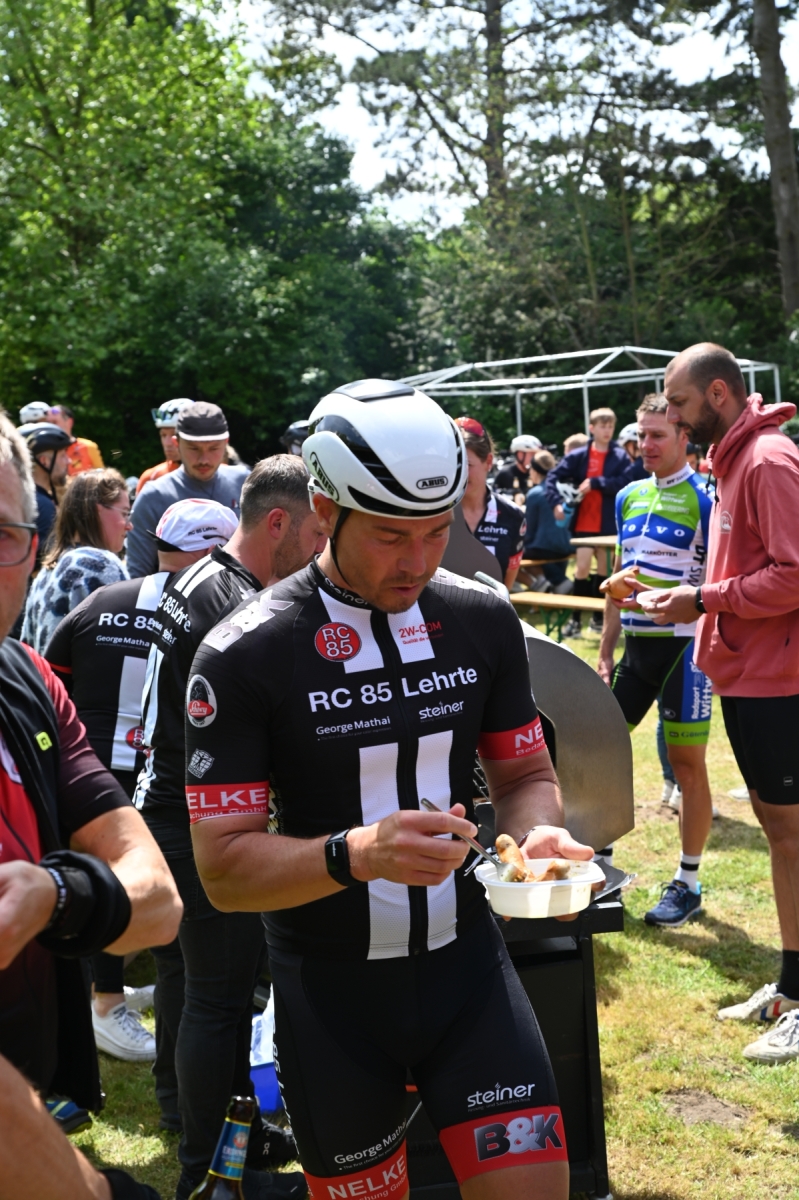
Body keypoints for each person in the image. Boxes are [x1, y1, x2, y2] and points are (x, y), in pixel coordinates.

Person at [186, 378, 599, 1200]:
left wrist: (537, 835)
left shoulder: (479, 618)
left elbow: (524, 774)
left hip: (468, 973)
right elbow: (223, 872)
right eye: (388, 535)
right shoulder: (243, 653)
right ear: (323, 509)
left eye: (436, 531)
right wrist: (357, 854)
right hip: (330, 998)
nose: (417, 561)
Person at [0, 409, 182, 1199]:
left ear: (33, 544)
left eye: (1, 535)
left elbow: (159, 900)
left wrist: (56, 893)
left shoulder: (29, 681)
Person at [137, 456, 323, 1198]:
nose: (321, 552)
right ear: (277, 523)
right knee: (219, 994)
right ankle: (206, 1169)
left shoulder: (204, 577)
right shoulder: (236, 605)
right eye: (316, 535)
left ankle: (208, 1125)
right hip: (194, 816)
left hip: (169, 803)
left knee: (198, 982)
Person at [639, 342, 799, 1063]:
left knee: (792, 837)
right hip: (749, 675)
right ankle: (791, 987)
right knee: (780, 835)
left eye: (677, 403)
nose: (672, 417)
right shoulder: (733, 460)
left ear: (718, 394)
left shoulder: (766, 460)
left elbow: (794, 573)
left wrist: (703, 599)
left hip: (780, 680)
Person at [44, 499, 238, 1064]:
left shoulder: (104, 599)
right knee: (171, 918)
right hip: (168, 777)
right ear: (215, 552)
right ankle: (107, 1007)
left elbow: (50, 679)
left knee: (107, 883)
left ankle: (103, 999)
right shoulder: (222, 609)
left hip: (88, 770)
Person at [596, 393, 714, 926]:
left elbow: (717, 581)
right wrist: (605, 648)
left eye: (657, 435)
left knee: (687, 767)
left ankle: (688, 883)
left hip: (685, 651)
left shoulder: (705, 500)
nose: (645, 444)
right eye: (641, 434)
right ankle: (600, 866)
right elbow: (619, 579)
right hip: (635, 649)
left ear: (684, 435)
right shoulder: (627, 495)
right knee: (600, 748)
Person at [127, 402, 249, 578]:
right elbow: (138, 578)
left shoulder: (245, 483)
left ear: (226, 443)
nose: (204, 459)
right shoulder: (153, 497)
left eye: (214, 448)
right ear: (176, 443)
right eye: (194, 448)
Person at [21, 469, 131, 655]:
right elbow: (124, 650)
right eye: (125, 513)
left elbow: (26, 650)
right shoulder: (100, 564)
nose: (130, 525)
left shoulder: (45, 572)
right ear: (97, 510)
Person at [546, 407, 630, 637]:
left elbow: (626, 481)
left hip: (608, 522)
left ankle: (598, 619)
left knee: (604, 570)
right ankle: (575, 620)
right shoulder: (579, 455)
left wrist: (597, 483)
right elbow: (552, 477)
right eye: (603, 426)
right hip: (583, 521)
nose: (607, 430)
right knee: (582, 567)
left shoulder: (620, 456)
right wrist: (556, 503)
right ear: (592, 428)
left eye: (610, 426)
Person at [456, 416, 526, 590]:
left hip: (491, 607)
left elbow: (506, 585)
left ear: (488, 462)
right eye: (453, 464)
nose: (459, 473)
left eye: (467, 464)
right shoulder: (434, 512)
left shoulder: (512, 515)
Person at [18, 422, 73, 560]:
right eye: (63, 455)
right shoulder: (43, 506)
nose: (69, 461)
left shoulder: (21, 497)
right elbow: (45, 564)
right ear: (44, 461)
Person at [523, 450, 572, 591]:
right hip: (568, 545)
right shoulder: (564, 489)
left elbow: (529, 530)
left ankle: (555, 582)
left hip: (546, 548)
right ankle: (554, 582)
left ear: (535, 470)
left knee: (513, 552)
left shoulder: (535, 493)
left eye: (530, 469)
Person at [137, 399, 196, 495]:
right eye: (163, 435)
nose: (167, 443)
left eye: (174, 434)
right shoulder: (151, 478)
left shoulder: (219, 474)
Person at [45, 405, 105, 476]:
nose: (50, 427)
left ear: (69, 422)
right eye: (48, 423)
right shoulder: (45, 450)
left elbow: (101, 476)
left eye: (55, 422)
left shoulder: (88, 446)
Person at [493, 433, 542, 502]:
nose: (535, 458)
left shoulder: (537, 473)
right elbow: (493, 497)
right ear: (520, 455)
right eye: (532, 454)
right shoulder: (505, 474)